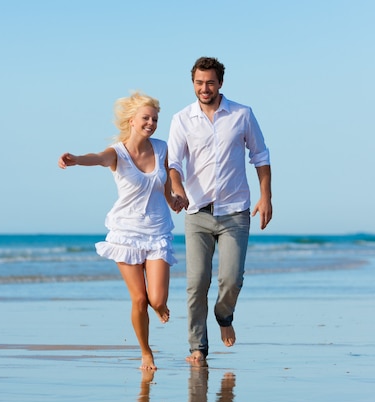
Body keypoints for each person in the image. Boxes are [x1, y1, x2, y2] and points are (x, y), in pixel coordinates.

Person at [58, 92, 183, 370]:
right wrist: (77, 159)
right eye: (146, 118)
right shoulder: (118, 152)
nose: (151, 123)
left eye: (154, 119)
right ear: (132, 120)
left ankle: (159, 306)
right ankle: (146, 352)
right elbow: (98, 157)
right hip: (126, 233)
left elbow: (163, 183)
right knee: (140, 299)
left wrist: (173, 199)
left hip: (158, 231)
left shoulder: (162, 148)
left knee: (157, 299)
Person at [168, 56, 273, 364]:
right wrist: (178, 190)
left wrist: (266, 197)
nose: (204, 88)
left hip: (235, 211)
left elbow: (261, 155)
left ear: (220, 83)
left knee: (232, 279)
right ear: (193, 83)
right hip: (197, 212)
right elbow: (173, 163)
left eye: (210, 83)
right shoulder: (182, 119)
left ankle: (223, 315)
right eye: (199, 83)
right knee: (196, 282)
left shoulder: (242, 114)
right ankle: (197, 348)